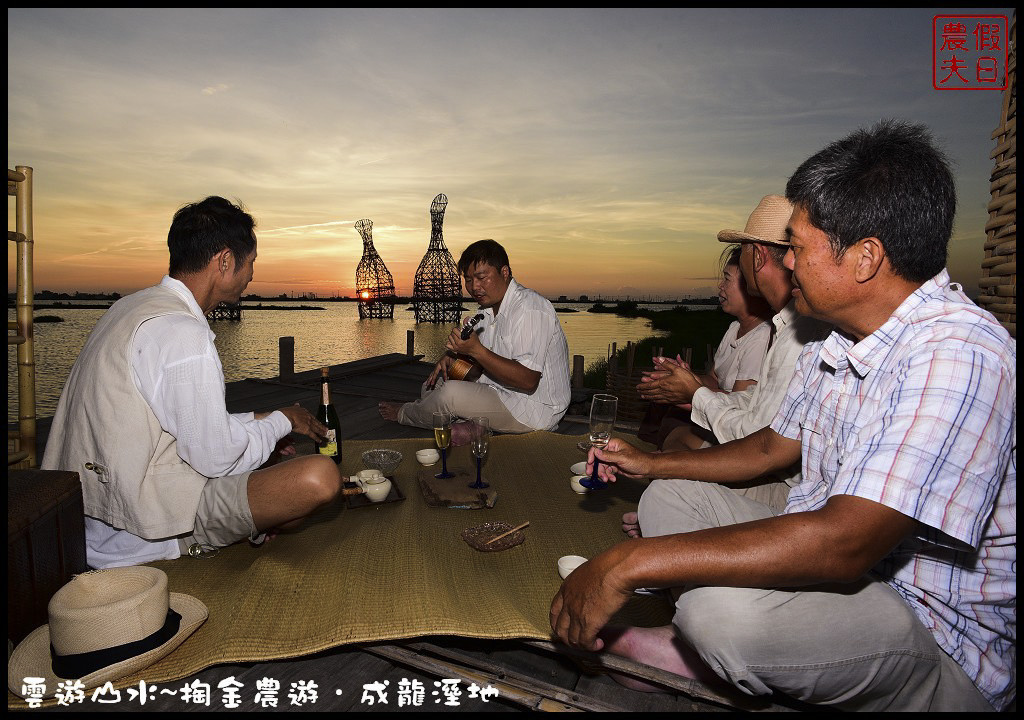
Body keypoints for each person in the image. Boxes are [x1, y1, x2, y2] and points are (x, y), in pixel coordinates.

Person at [550, 121, 1016, 711]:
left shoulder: (960, 353)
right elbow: (771, 449)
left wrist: (626, 563)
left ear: (865, 258)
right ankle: (730, 657)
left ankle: (715, 657)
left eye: (797, 246)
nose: (784, 262)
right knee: (669, 497)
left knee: (714, 613)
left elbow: (845, 543)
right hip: (849, 574)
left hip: (931, 630)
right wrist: (654, 462)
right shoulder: (836, 338)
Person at [42, 196, 343, 569]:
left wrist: (263, 419)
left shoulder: (130, 308)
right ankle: (198, 541)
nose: (251, 276)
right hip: (136, 532)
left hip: (88, 515)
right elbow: (216, 458)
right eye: (251, 263)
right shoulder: (185, 335)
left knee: (272, 475)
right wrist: (284, 420)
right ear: (225, 261)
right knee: (318, 478)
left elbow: (181, 425)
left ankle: (250, 521)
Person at [632, 194, 832, 514]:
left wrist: (694, 394)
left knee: (665, 492)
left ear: (757, 257)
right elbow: (754, 403)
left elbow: (756, 440)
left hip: (795, 491)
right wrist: (691, 392)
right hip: (784, 475)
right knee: (667, 480)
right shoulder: (787, 324)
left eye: (742, 253)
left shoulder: (797, 331)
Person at [379, 239, 570, 435]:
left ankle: (405, 412)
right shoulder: (486, 313)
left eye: (481, 277)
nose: (474, 287)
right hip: (500, 392)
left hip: (534, 409)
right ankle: (475, 425)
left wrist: (475, 350)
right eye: (468, 279)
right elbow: (478, 371)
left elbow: (528, 380)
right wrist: (456, 360)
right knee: (433, 385)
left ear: (504, 273)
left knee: (448, 395)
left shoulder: (530, 308)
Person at [638, 245, 773, 449]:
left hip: (734, 433)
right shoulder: (734, 328)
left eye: (727, 279)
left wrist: (691, 391)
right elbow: (713, 379)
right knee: (667, 415)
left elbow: (739, 403)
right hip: (715, 415)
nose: (720, 286)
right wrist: (684, 377)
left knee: (675, 432)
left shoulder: (761, 337)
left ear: (751, 287)